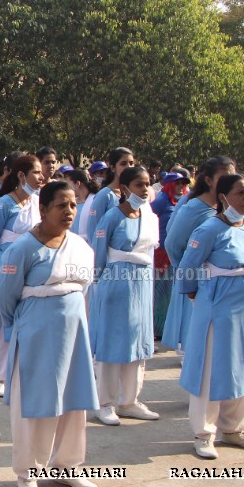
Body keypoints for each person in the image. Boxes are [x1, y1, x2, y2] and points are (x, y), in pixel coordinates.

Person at [0, 181, 98, 487]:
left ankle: (67, 465)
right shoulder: (22, 249)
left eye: (73, 205)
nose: (69, 212)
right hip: (37, 335)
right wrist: (24, 327)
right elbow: (4, 297)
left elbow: (85, 286)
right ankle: (28, 471)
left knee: (72, 402)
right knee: (34, 402)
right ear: (43, 209)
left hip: (74, 335)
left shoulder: (80, 245)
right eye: (61, 206)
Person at [176, 174, 244, 459]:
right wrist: (198, 297)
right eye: (240, 193)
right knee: (211, 370)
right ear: (223, 197)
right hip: (219, 308)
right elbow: (188, 269)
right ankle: (204, 433)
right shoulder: (209, 229)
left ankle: (235, 427)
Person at [90, 167, 160, 425]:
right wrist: (99, 284)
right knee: (112, 342)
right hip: (115, 285)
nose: (145, 189)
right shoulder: (111, 217)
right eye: (139, 185)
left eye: (148, 184)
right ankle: (104, 402)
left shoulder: (150, 216)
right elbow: (98, 254)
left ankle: (129, 400)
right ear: (126, 188)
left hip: (142, 284)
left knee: (137, 342)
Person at [162, 156, 236, 356]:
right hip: (199, 285)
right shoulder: (193, 207)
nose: (230, 181)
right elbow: (173, 243)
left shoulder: (228, 208)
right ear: (209, 180)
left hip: (223, 288)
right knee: (197, 345)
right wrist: (188, 273)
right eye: (224, 177)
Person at [0, 154, 45, 397]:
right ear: (22, 176)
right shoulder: (3, 205)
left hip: (32, 267)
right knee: (3, 322)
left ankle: (23, 371)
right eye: (36, 172)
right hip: (8, 269)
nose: (42, 177)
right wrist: (1, 270)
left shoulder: (37, 201)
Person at [150, 170, 191, 338]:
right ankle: (157, 330)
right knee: (160, 292)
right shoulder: (160, 201)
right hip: (161, 253)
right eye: (178, 183)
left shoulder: (182, 202)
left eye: (184, 184)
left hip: (175, 253)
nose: (181, 187)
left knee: (169, 292)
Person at [85, 147, 135, 244]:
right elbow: (93, 231)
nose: (128, 167)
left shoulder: (134, 194)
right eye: (123, 164)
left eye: (131, 163)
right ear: (112, 167)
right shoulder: (105, 195)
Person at [64, 169, 98, 237]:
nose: (66, 189)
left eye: (68, 185)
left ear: (77, 184)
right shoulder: (71, 202)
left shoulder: (95, 201)